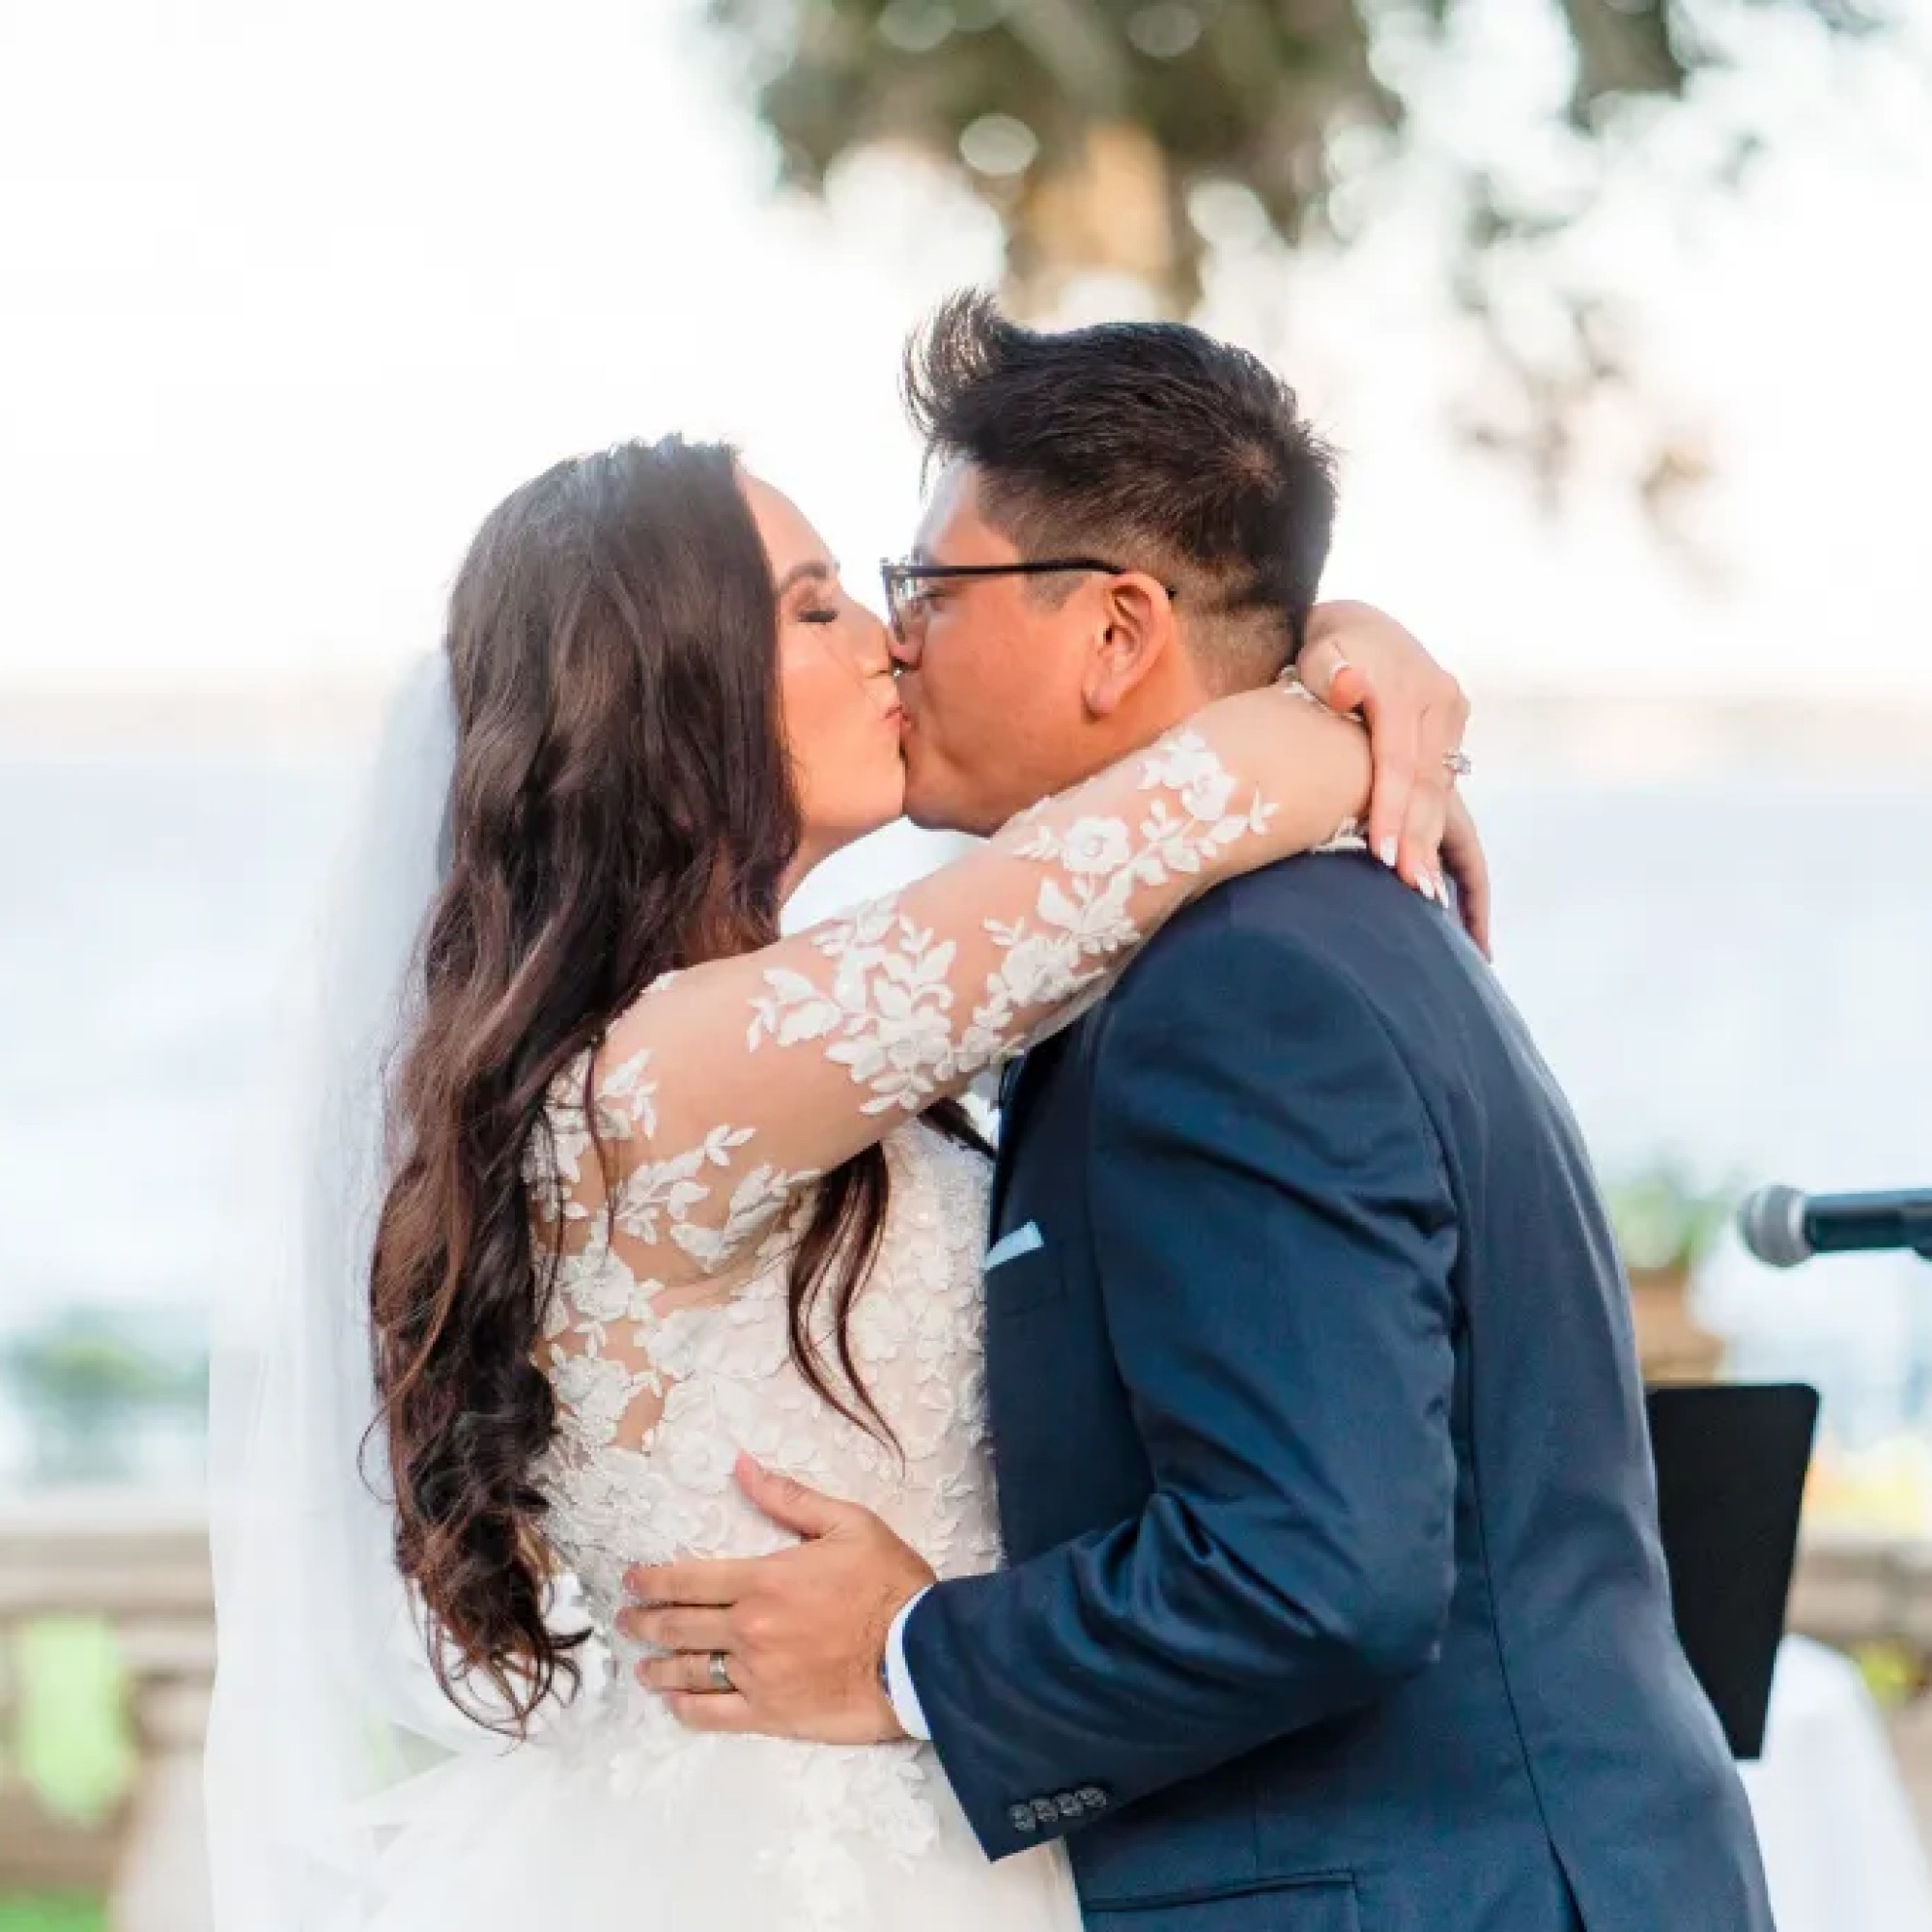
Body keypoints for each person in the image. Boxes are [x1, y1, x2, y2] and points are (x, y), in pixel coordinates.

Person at [203, 410, 1479, 1930]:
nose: (890, 642)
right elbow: (1218, 784)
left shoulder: (785, 1038)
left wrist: (1341, 637)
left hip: (922, 1792)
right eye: (815, 606)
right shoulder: (668, 1074)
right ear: (671, 691)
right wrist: (1356, 666)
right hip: (776, 1854)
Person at [622, 298, 1776, 1932]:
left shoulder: (1240, 989)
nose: (898, 642)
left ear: (1114, 634)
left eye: (925, 588)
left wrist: (909, 1654)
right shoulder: (1281, 926)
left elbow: (1320, 1573)